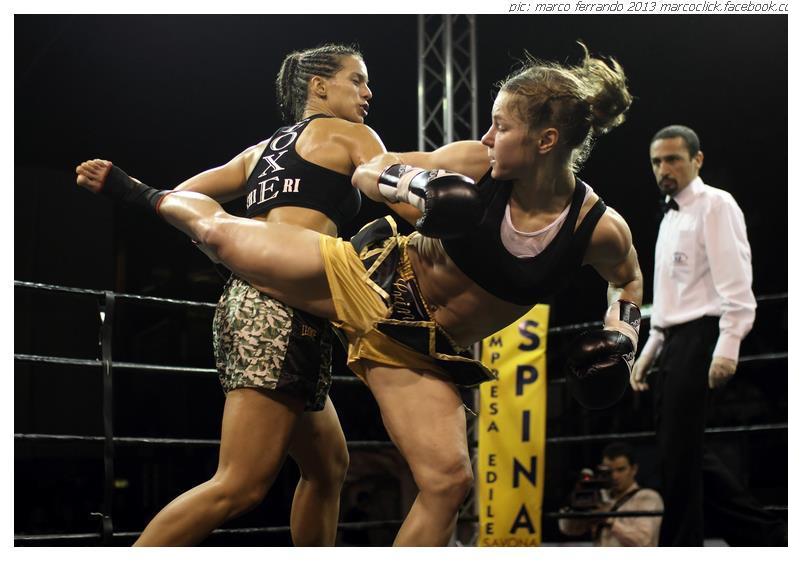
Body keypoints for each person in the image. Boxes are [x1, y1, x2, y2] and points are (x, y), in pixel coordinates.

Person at [77, 44, 644, 546]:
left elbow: (628, 281)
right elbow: (369, 171)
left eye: (501, 126)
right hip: (368, 284)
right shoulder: (474, 164)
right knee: (223, 235)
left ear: (546, 141)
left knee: (447, 483)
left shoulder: (597, 228)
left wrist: (622, 340)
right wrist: (418, 187)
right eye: (490, 124)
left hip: (421, 350)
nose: (488, 137)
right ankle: (139, 192)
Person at [104, 44, 390, 546]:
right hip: (283, 313)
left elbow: (181, 199)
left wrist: (231, 252)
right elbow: (388, 180)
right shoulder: (351, 134)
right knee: (239, 484)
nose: (368, 93)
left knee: (327, 467)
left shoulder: (260, 152)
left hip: (251, 305)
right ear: (319, 86)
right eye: (357, 80)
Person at [630, 125, 788, 546]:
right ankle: (770, 537)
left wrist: (728, 346)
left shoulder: (716, 205)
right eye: (656, 162)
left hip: (703, 337)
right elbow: (669, 298)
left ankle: (682, 545)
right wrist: (649, 350)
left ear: (697, 160)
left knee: (680, 453)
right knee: (680, 451)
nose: (663, 169)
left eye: (673, 159)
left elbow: (736, 283)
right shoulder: (670, 216)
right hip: (674, 341)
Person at [559, 442, 663, 546]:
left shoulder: (647, 497)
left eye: (621, 470)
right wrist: (574, 504)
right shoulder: (599, 497)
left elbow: (644, 542)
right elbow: (568, 529)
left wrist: (608, 519)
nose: (614, 476)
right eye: (609, 471)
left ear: (634, 469)